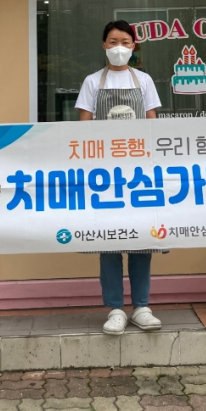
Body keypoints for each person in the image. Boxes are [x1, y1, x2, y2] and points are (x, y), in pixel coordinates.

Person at [75, 20, 163, 335]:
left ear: (134, 46)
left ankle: (141, 307)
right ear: (104, 46)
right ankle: (115, 308)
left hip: (139, 172)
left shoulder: (144, 80)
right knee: (109, 242)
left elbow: (152, 125)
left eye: (125, 42)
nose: (119, 48)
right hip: (104, 173)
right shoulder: (92, 82)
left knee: (141, 240)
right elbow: (84, 128)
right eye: (113, 42)